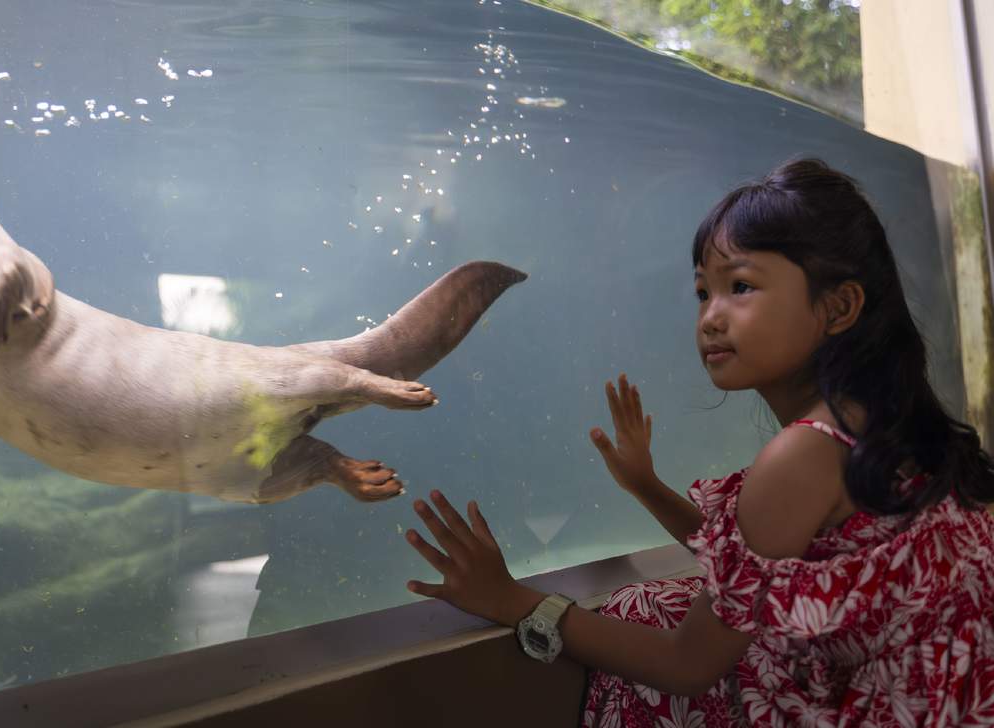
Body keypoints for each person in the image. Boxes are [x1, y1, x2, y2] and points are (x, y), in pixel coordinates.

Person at [402, 158, 994, 726]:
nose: (710, 317)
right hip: (954, 693)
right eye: (702, 293)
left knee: (645, 613)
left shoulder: (806, 452)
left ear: (838, 307)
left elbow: (688, 665)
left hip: (893, 707)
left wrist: (510, 600)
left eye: (740, 286)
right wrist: (646, 486)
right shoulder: (886, 420)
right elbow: (764, 563)